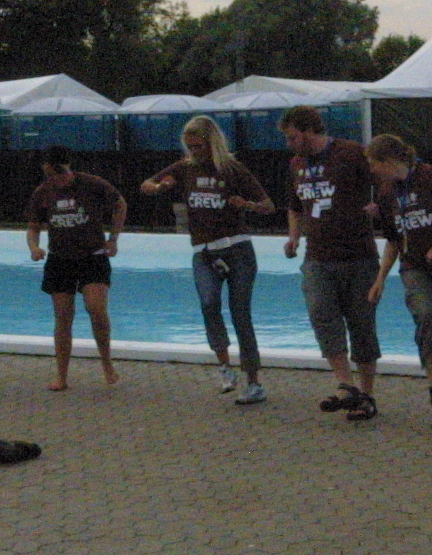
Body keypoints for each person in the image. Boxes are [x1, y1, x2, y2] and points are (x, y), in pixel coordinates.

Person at [140, 114, 275, 404]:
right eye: (190, 147)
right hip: (204, 251)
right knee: (209, 304)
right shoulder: (184, 168)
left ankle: (254, 382)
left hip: (237, 249)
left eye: (199, 146)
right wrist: (158, 187)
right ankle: (225, 366)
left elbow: (268, 205)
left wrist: (247, 204)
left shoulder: (232, 169)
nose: (194, 152)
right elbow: (146, 184)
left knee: (240, 314)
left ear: (212, 142)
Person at [366, 134, 432, 435]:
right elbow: (393, 240)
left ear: (389, 161)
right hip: (415, 267)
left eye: (374, 164)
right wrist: (380, 279)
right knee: (428, 318)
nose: (372, 170)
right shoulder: (387, 193)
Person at [281, 105, 382, 420]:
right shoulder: (297, 164)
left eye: (292, 137)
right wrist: (294, 237)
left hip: (358, 255)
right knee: (321, 314)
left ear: (309, 130)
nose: (289, 143)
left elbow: (386, 177)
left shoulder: (351, 153)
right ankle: (346, 383)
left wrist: (379, 205)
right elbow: (295, 206)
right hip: (317, 257)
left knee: (361, 324)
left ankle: (366, 394)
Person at [25, 145, 127, 392]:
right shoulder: (43, 192)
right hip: (60, 259)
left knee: (96, 308)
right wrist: (34, 247)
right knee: (63, 316)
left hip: (93, 256)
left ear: (66, 168)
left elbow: (120, 205)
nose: (55, 179)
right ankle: (62, 375)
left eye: (58, 173)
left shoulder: (92, 184)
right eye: (50, 174)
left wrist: (113, 238)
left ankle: (107, 363)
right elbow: (34, 226)